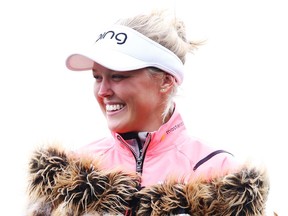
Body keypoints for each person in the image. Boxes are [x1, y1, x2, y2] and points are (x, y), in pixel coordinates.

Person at [26, 10, 270, 216]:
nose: (103, 91)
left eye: (118, 76)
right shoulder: (67, 176)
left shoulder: (220, 174)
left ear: (165, 81)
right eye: (97, 77)